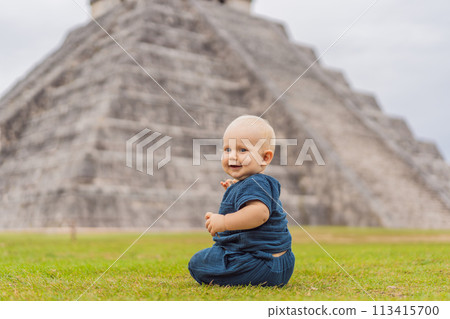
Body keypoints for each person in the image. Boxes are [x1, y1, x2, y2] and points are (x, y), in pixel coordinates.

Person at [188, 115, 295, 286]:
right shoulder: (252, 184)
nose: (232, 156)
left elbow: (259, 214)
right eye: (227, 150)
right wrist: (235, 190)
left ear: (265, 158)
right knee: (212, 255)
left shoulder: (256, 182)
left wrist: (224, 221)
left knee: (198, 263)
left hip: (259, 262)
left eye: (242, 150)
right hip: (281, 263)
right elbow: (251, 203)